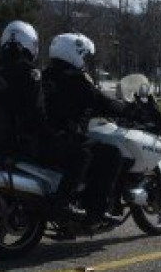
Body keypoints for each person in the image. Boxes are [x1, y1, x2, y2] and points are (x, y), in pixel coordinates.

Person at [41, 32, 133, 216]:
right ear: (73, 53)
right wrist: (127, 109)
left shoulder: (45, 75)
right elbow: (101, 101)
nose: (84, 60)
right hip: (62, 135)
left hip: (44, 135)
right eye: (83, 55)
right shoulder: (75, 80)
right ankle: (96, 209)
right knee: (111, 154)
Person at [0, 21, 53, 157]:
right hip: (19, 142)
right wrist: (51, 133)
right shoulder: (30, 72)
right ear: (30, 43)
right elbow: (36, 112)